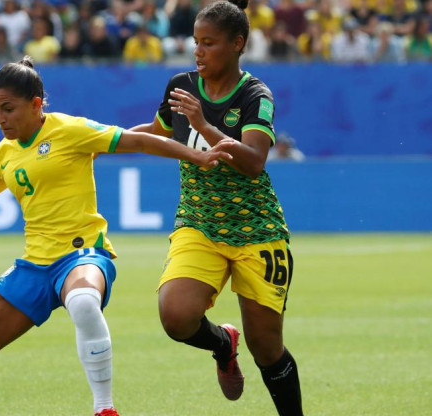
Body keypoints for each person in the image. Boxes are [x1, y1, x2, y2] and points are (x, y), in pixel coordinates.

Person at [0, 56, 234, 416]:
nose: (0, 118)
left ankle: (105, 409)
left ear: (36, 104)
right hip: (35, 266)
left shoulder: (70, 130)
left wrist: (195, 155)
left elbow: (139, 142)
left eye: (8, 109)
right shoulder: (0, 157)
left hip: (83, 254)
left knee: (83, 302)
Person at [131, 1, 303, 415]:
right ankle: (222, 344)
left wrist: (205, 125)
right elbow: (157, 135)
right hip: (199, 224)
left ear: (237, 44)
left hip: (257, 230)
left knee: (266, 347)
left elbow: (254, 161)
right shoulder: (182, 86)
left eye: (208, 43)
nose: (198, 51)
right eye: (196, 42)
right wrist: (98, 139)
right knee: (176, 316)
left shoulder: (255, 95)